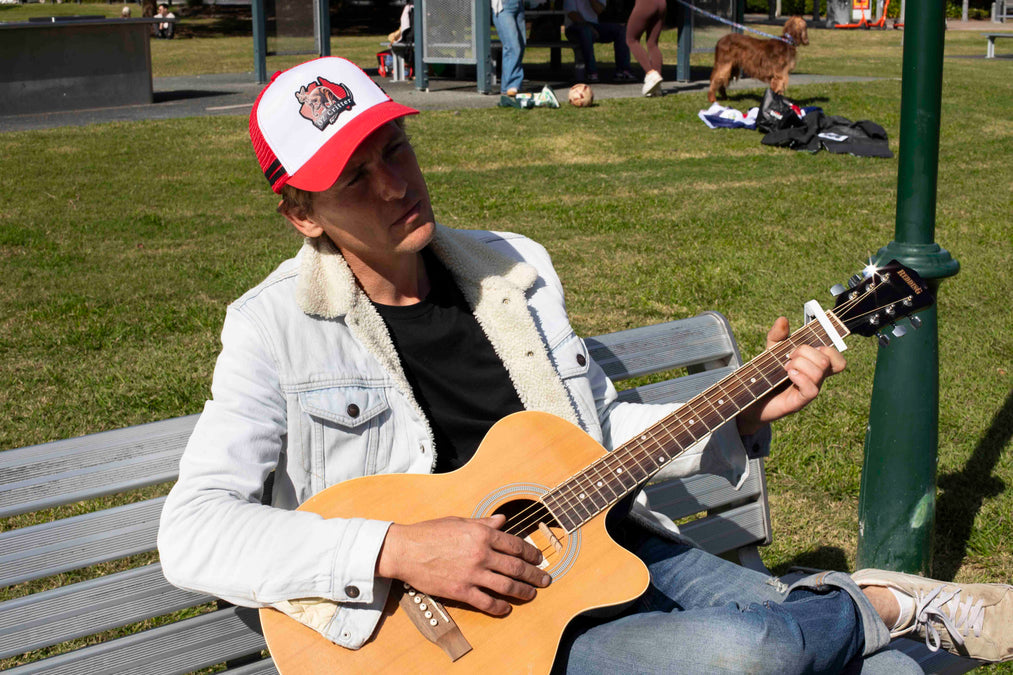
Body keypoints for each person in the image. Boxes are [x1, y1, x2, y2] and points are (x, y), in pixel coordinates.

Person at [157, 56, 1013, 672]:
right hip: (477, 632)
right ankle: (883, 602)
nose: (394, 185)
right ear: (301, 214)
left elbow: (595, 435)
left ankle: (858, 618)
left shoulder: (511, 270)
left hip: (603, 543)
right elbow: (192, 530)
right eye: (354, 178)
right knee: (751, 651)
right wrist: (398, 547)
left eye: (395, 150)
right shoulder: (273, 327)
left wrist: (741, 412)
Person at [562, 0, 635, 83]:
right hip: (574, 27)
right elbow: (572, 14)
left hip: (595, 26)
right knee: (586, 31)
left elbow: (600, 11)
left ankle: (623, 71)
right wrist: (588, 26)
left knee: (621, 30)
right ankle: (591, 72)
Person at [625, 0, 665, 96]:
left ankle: (651, 74)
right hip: (661, 3)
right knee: (652, 43)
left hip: (646, 3)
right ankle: (656, 88)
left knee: (631, 39)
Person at [492, 0, 525, 96]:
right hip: (503, 6)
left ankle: (507, 87)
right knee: (512, 46)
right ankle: (512, 84)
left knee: (520, 45)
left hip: (518, 4)